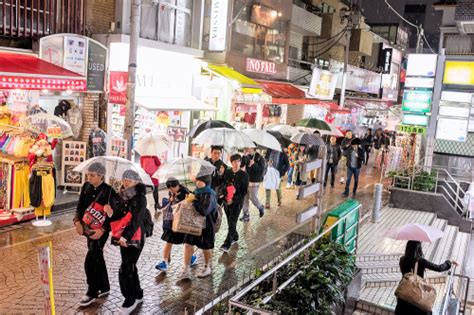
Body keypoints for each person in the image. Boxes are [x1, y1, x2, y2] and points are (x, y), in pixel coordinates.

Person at [74, 162, 120, 307]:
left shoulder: (110, 191)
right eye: (88, 174)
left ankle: (92, 292)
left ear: (100, 176)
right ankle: (104, 286)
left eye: (92, 175)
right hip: (87, 227)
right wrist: (77, 222)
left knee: (91, 257)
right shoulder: (86, 186)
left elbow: (114, 215)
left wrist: (103, 229)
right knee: (97, 254)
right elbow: (80, 205)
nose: (88, 177)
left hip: (101, 231)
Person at [110, 170, 148, 314]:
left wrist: (125, 236)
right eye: (124, 178)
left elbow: (136, 219)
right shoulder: (121, 195)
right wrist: (110, 211)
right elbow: (118, 216)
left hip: (135, 235)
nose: (126, 182)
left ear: (137, 182)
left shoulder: (140, 198)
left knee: (126, 267)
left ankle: (129, 299)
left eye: (130, 180)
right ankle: (138, 294)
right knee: (130, 265)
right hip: (122, 236)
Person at [395, 240, 456, 315]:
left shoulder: (402, 259)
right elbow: (439, 268)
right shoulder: (421, 261)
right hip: (416, 295)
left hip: (403, 295)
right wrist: (449, 262)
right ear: (419, 248)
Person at [155, 178, 197, 273]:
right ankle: (165, 262)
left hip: (183, 221)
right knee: (169, 240)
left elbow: (189, 205)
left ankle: (191, 257)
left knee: (188, 242)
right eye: (169, 189)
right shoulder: (172, 192)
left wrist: (184, 201)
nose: (170, 190)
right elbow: (171, 202)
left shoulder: (185, 192)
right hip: (172, 220)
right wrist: (171, 200)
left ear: (176, 186)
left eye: (171, 188)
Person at [181, 175, 218, 279]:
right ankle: (186, 269)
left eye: (199, 181)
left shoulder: (210, 194)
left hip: (207, 225)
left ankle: (207, 267)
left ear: (205, 182)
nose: (197, 182)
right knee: (188, 244)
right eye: (197, 180)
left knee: (206, 247)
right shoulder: (197, 192)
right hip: (193, 223)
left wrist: (193, 201)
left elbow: (204, 211)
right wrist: (189, 199)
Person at [220, 154, 249, 253]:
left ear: (240, 162)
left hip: (237, 203)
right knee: (230, 221)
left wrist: (234, 199)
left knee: (232, 222)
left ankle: (227, 244)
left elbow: (244, 192)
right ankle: (235, 236)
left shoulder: (244, 175)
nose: (236, 163)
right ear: (231, 162)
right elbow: (223, 185)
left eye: (238, 161)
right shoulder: (227, 172)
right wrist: (225, 197)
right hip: (226, 202)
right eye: (234, 161)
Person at [240, 147, 266, 221]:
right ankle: (246, 214)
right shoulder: (247, 156)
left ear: (253, 148)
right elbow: (241, 165)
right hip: (246, 179)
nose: (248, 148)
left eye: (249, 147)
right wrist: (243, 156)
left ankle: (260, 207)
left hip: (255, 181)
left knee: (252, 197)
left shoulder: (260, 158)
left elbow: (261, 171)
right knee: (245, 197)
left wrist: (254, 164)